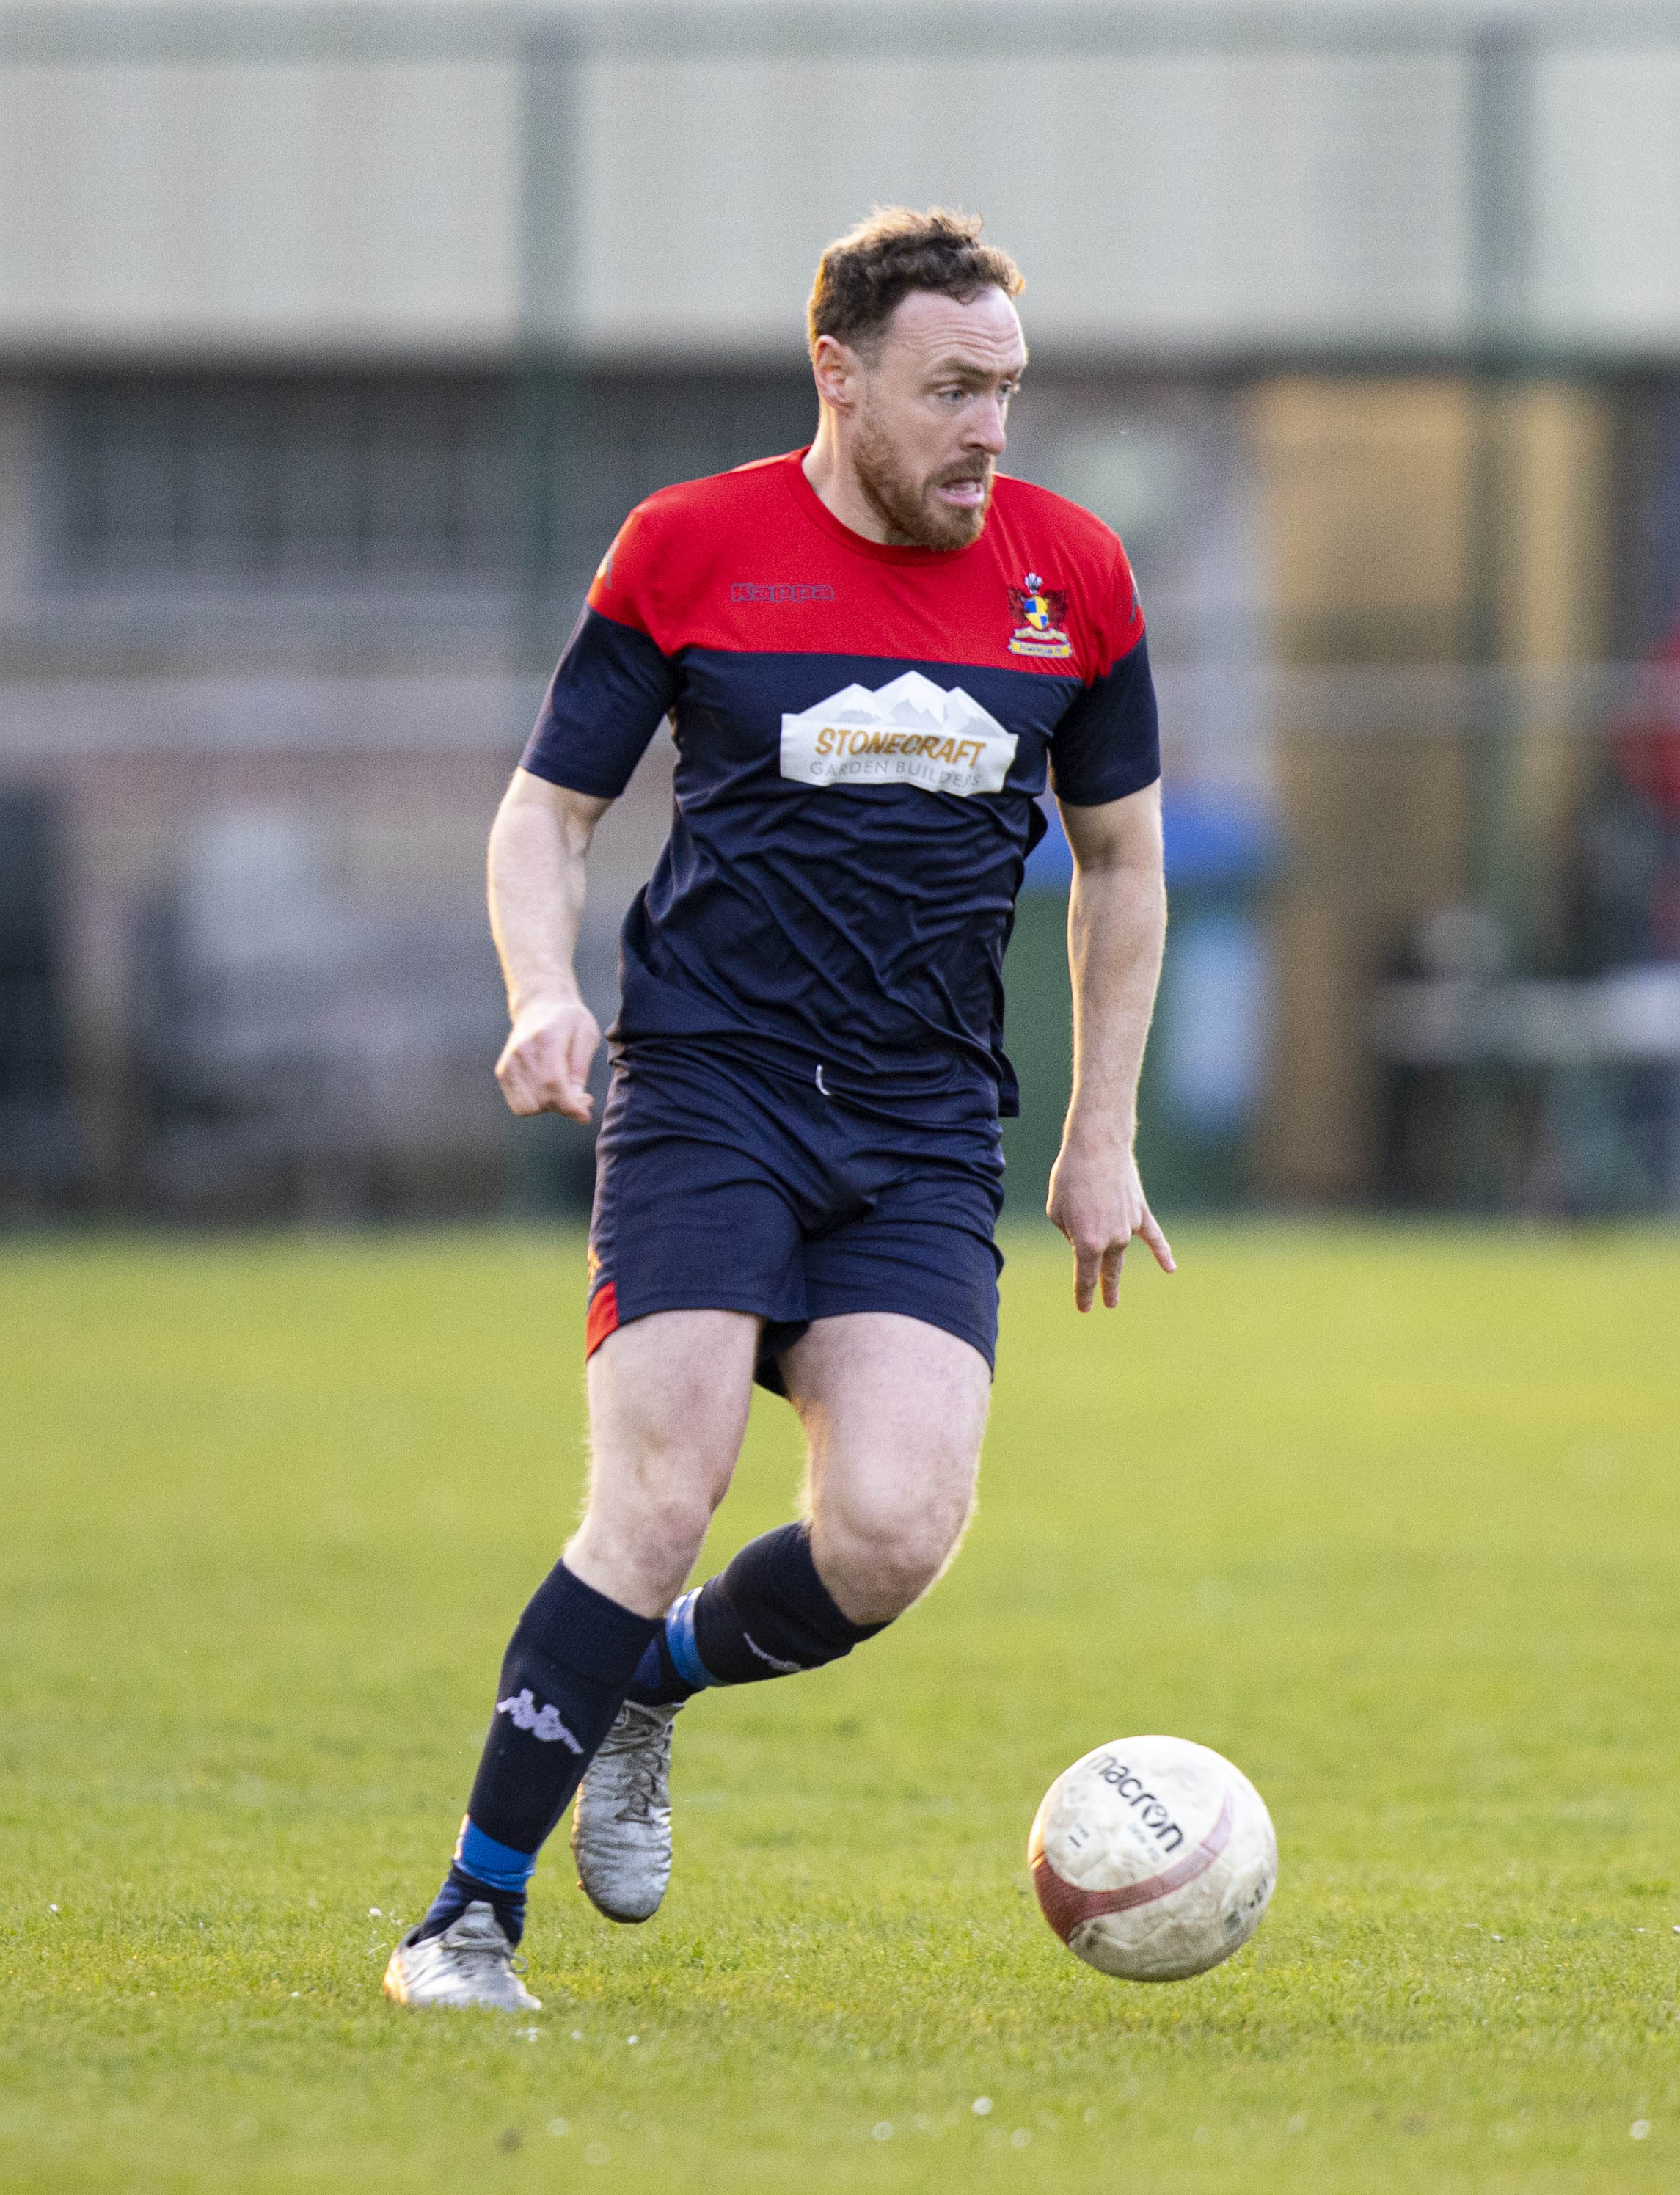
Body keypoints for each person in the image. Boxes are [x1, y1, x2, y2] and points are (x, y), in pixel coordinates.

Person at [384, 206, 1172, 2011]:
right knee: (661, 1487)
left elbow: (1123, 862)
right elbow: (544, 813)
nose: (992, 429)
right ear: (838, 371)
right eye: (952, 388)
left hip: (916, 1121)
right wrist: (543, 989)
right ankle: (465, 1921)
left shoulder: (1076, 576)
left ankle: (648, 1683)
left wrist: (1097, 1132)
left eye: (1010, 390)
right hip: (710, 1084)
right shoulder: (691, 546)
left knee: (892, 1532)